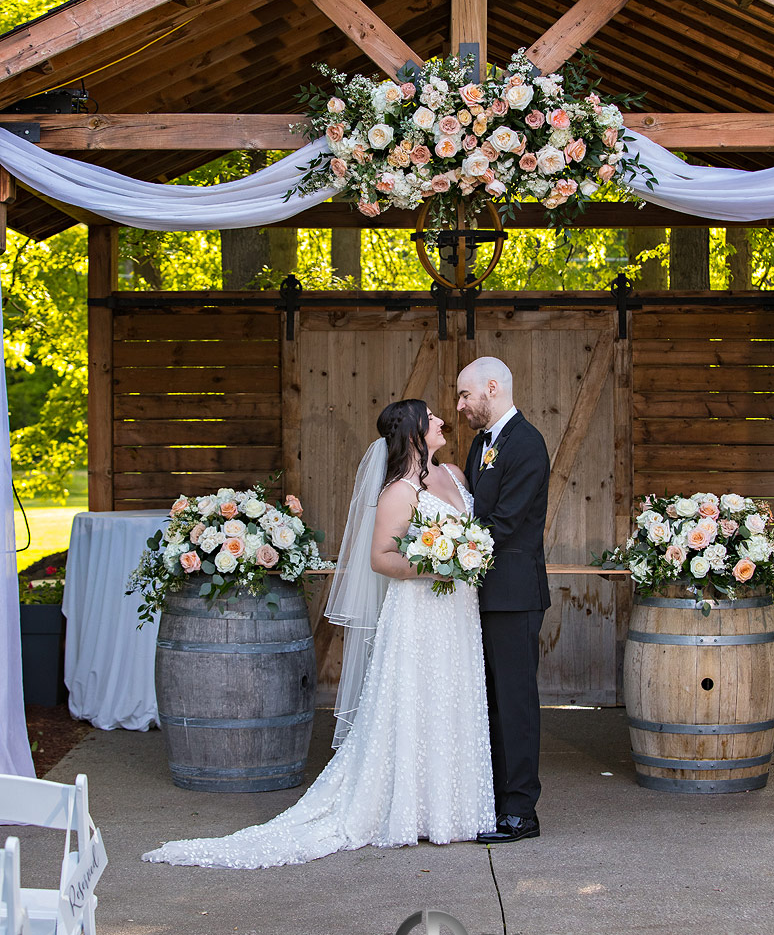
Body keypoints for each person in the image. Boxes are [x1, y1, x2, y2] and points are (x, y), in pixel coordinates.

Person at [143, 399, 495, 869]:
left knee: (452, 699)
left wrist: (465, 556)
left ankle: (452, 810)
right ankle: (409, 811)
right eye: (430, 416)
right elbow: (381, 558)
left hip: (458, 612)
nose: (441, 421)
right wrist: (439, 566)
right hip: (419, 610)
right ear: (411, 430)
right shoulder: (397, 492)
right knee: (415, 700)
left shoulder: (455, 475)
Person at [457, 357, 550, 844]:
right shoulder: (480, 444)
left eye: (465, 395)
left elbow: (506, 522)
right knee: (489, 701)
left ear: (492, 388)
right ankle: (492, 799)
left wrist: (449, 553)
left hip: (514, 594)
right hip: (483, 592)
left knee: (515, 702)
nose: (460, 406)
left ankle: (521, 811)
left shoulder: (527, 444)